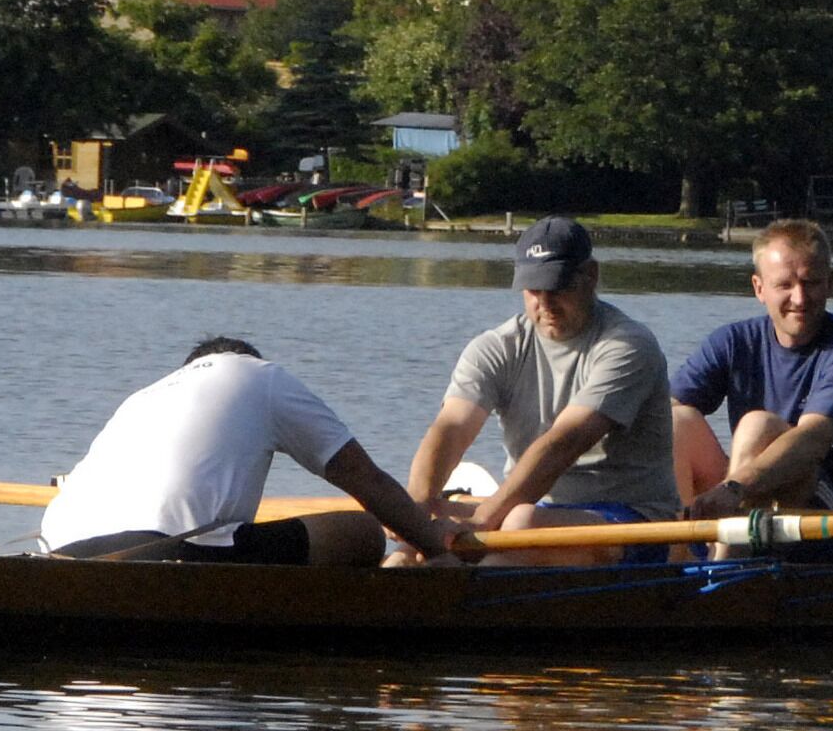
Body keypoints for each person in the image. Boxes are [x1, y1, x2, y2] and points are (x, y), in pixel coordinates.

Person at [403, 216, 684, 566]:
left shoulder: (627, 345)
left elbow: (564, 443)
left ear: (591, 276)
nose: (546, 303)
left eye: (558, 287)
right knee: (408, 551)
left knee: (520, 523)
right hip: (530, 510)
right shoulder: (496, 347)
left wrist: (481, 520)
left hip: (634, 523)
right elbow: (452, 428)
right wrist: (414, 510)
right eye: (534, 290)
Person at [39, 336, 459, 565]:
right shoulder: (260, 376)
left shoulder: (142, 397)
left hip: (57, 550)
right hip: (167, 551)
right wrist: (436, 547)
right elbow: (362, 477)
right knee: (362, 531)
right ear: (246, 359)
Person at [670, 221, 833, 552]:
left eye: (811, 283)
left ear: (830, 283)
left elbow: (813, 439)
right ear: (759, 289)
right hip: (755, 501)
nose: (799, 299)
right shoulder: (732, 342)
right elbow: (663, 412)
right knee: (675, 422)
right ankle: (673, 561)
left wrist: (733, 488)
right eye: (784, 285)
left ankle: (721, 571)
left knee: (758, 425)